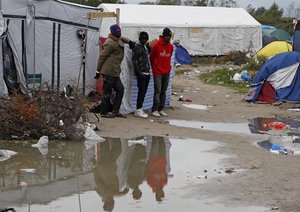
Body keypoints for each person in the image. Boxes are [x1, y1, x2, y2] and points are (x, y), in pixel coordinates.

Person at [94, 24, 135, 118]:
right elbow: (102, 57)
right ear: (113, 33)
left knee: (120, 89)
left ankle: (115, 111)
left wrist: (130, 42)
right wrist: (98, 71)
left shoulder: (118, 38)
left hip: (115, 71)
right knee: (107, 92)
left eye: (119, 31)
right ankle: (104, 112)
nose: (119, 33)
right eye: (117, 32)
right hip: (108, 71)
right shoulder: (110, 43)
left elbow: (123, 39)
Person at [150, 28, 174, 117]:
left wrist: (167, 68)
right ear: (163, 36)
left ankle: (161, 109)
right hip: (157, 72)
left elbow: (169, 56)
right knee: (158, 90)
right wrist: (155, 67)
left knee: (163, 91)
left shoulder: (170, 47)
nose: (168, 38)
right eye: (167, 36)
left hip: (166, 71)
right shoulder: (156, 45)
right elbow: (152, 57)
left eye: (169, 37)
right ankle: (154, 109)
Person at [132, 31, 151, 118]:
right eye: (143, 39)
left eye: (145, 39)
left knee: (144, 92)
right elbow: (134, 60)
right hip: (142, 72)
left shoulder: (145, 47)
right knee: (141, 91)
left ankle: (140, 108)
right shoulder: (137, 47)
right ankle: (138, 109)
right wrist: (139, 72)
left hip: (146, 72)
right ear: (140, 39)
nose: (144, 40)